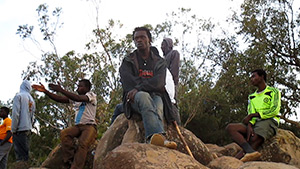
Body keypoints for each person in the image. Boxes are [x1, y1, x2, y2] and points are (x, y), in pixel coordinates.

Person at [119, 27, 177, 149]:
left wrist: (139, 86)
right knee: (144, 96)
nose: (139, 40)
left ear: (149, 40)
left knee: (159, 106)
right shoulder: (128, 60)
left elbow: (159, 83)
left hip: (155, 95)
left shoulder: (159, 61)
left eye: (142, 37)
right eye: (136, 38)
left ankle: (158, 141)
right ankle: (154, 136)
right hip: (134, 100)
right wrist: (145, 86)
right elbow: (127, 82)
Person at [32, 79, 97, 169]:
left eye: (80, 86)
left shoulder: (91, 95)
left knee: (83, 143)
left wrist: (61, 90)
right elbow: (60, 99)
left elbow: (78, 98)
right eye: (78, 86)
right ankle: (69, 160)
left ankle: (76, 167)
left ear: (87, 88)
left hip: (89, 126)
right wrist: (46, 91)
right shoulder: (75, 99)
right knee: (64, 134)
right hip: (78, 126)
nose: (77, 88)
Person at [226, 69, 281, 162]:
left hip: (269, 120)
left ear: (261, 77)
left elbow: (274, 110)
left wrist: (254, 115)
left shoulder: (273, 92)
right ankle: (250, 151)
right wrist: (250, 125)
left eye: (253, 76)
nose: (251, 79)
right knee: (231, 128)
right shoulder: (252, 96)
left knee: (254, 138)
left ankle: (237, 159)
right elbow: (250, 112)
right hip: (256, 122)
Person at [11, 80, 36, 167]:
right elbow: (32, 116)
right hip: (28, 128)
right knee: (26, 154)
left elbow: (15, 114)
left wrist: (13, 129)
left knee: (20, 157)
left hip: (19, 129)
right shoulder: (32, 100)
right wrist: (30, 126)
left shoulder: (19, 96)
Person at [161, 37, 181, 125]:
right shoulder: (162, 58)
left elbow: (174, 69)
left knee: (172, 103)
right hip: (163, 84)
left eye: (163, 45)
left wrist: (171, 82)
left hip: (171, 83)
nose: (161, 47)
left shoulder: (174, 53)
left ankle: (177, 124)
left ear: (169, 45)